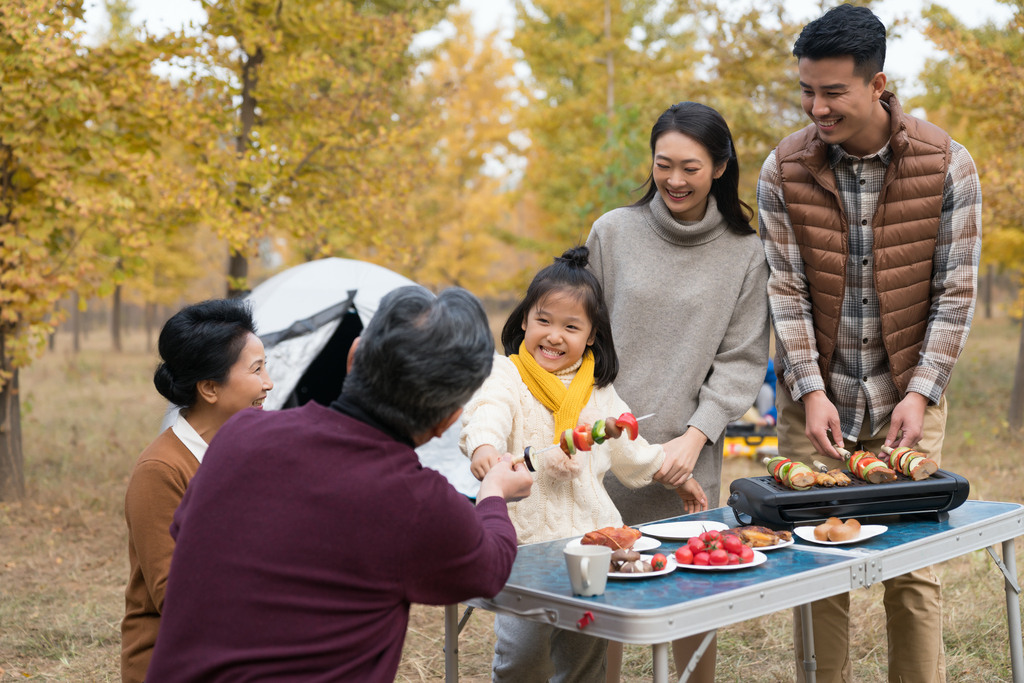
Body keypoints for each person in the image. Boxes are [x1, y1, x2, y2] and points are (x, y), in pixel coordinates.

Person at [146, 286, 535, 683]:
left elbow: (188, 535)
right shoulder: (418, 502)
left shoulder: (238, 434)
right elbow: (489, 569)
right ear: (449, 420)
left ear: (353, 357)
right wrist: (493, 494)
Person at [757, 5, 981, 683]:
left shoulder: (950, 165)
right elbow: (786, 291)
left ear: (877, 83)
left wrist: (920, 392)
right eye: (806, 91)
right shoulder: (781, 169)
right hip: (815, 399)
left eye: (832, 92)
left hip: (908, 393)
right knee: (815, 572)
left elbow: (955, 292)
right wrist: (811, 390)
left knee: (913, 571)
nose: (815, 108)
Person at [586, 101, 770, 681]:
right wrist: (603, 433)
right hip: (602, 451)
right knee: (602, 608)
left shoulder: (746, 254)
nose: (674, 179)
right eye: (663, 164)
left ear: (719, 166)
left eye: (690, 167)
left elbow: (741, 361)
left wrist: (695, 437)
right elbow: (583, 340)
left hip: (689, 461)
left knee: (694, 600)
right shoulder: (612, 233)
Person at [461, 246, 706, 683]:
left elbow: (634, 453)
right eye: (544, 321)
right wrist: (484, 447)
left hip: (592, 546)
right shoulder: (506, 375)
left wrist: (677, 478)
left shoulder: (601, 394)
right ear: (523, 321)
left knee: (584, 658)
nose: (554, 336)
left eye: (571, 327)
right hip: (525, 547)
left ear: (591, 335)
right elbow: (488, 411)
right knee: (523, 656)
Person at [121, 299, 273, 683]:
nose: (268, 383)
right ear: (209, 388)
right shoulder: (161, 471)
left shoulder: (251, 451)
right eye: (256, 370)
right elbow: (177, 600)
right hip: (178, 664)